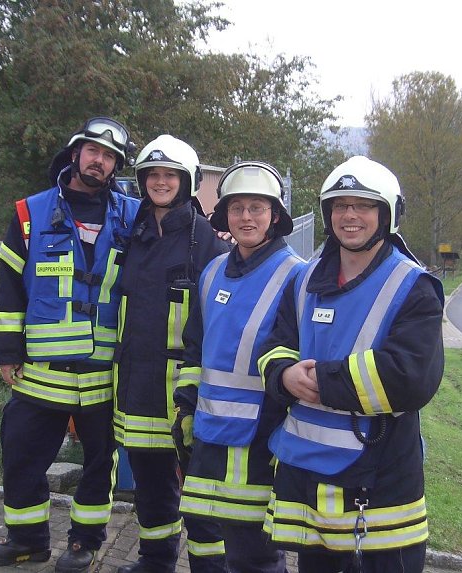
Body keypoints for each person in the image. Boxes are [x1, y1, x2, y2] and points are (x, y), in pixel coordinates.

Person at [258, 156, 445, 572]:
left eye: (363, 205)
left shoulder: (415, 287)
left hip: (380, 490)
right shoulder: (304, 280)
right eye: (340, 205)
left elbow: (411, 377)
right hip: (309, 478)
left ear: (387, 214)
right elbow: (274, 345)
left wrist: (321, 381)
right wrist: (284, 374)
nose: (350, 215)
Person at [0, 117, 140, 571]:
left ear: (115, 166)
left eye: (109, 156)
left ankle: (83, 543)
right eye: (93, 151)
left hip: (103, 373)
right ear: (76, 154)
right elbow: (10, 283)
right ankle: (26, 541)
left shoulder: (131, 216)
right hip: (40, 372)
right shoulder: (30, 212)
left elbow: (175, 241)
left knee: (99, 464)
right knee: (22, 456)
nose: (99, 160)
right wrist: (8, 350)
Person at [174, 161, 305, 573]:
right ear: (224, 215)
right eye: (237, 208)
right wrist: (186, 406)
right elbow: (195, 347)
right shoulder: (212, 271)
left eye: (257, 208)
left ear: (275, 216)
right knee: (202, 532)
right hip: (209, 437)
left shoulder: (297, 276)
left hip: (260, 441)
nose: (246, 217)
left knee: (255, 550)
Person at [112, 135, 230, 573]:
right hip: (138, 389)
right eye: (153, 175)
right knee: (150, 486)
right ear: (143, 181)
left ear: (187, 182)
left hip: (186, 394)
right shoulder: (134, 234)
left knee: (201, 496)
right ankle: (155, 562)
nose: (161, 183)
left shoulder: (208, 242)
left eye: (170, 176)